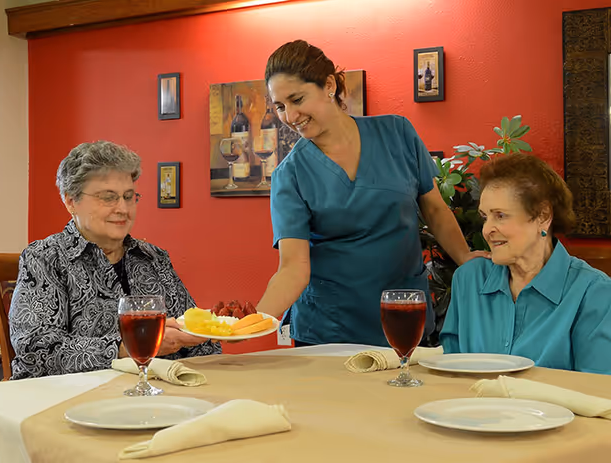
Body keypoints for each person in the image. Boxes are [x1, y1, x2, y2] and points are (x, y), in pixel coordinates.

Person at [256, 39, 487, 347]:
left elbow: (433, 208)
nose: (290, 116)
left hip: (405, 318)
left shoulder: (398, 134)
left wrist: (464, 257)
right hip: (329, 333)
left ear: (328, 85)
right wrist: (251, 324)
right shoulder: (290, 174)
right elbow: (292, 267)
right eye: (280, 106)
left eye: (297, 99)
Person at [9, 141, 219, 379]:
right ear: (70, 201)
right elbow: (36, 352)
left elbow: (202, 343)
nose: (123, 208)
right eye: (108, 198)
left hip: (155, 399)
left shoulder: (154, 258)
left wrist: (210, 333)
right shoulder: (45, 258)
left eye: (129, 197)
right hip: (65, 400)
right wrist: (127, 347)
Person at [440, 153, 611, 374]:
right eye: (485, 217)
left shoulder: (594, 293)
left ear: (543, 216)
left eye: (500, 216)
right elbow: (449, 373)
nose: (487, 229)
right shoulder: (469, 280)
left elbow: (595, 395)